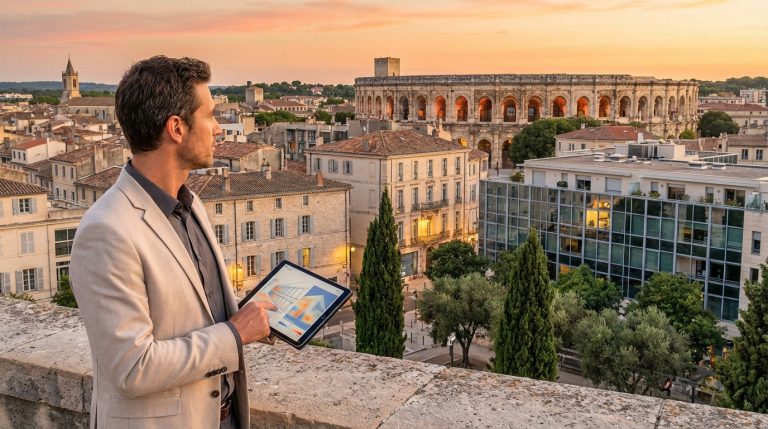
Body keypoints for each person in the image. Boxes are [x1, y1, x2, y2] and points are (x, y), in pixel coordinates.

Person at [70, 56, 276, 429]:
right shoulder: (106, 231)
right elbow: (132, 368)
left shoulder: (190, 204)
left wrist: (245, 316)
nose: (218, 129)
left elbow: (194, 313)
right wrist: (235, 334)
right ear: (176, 128)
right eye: (210, 116)